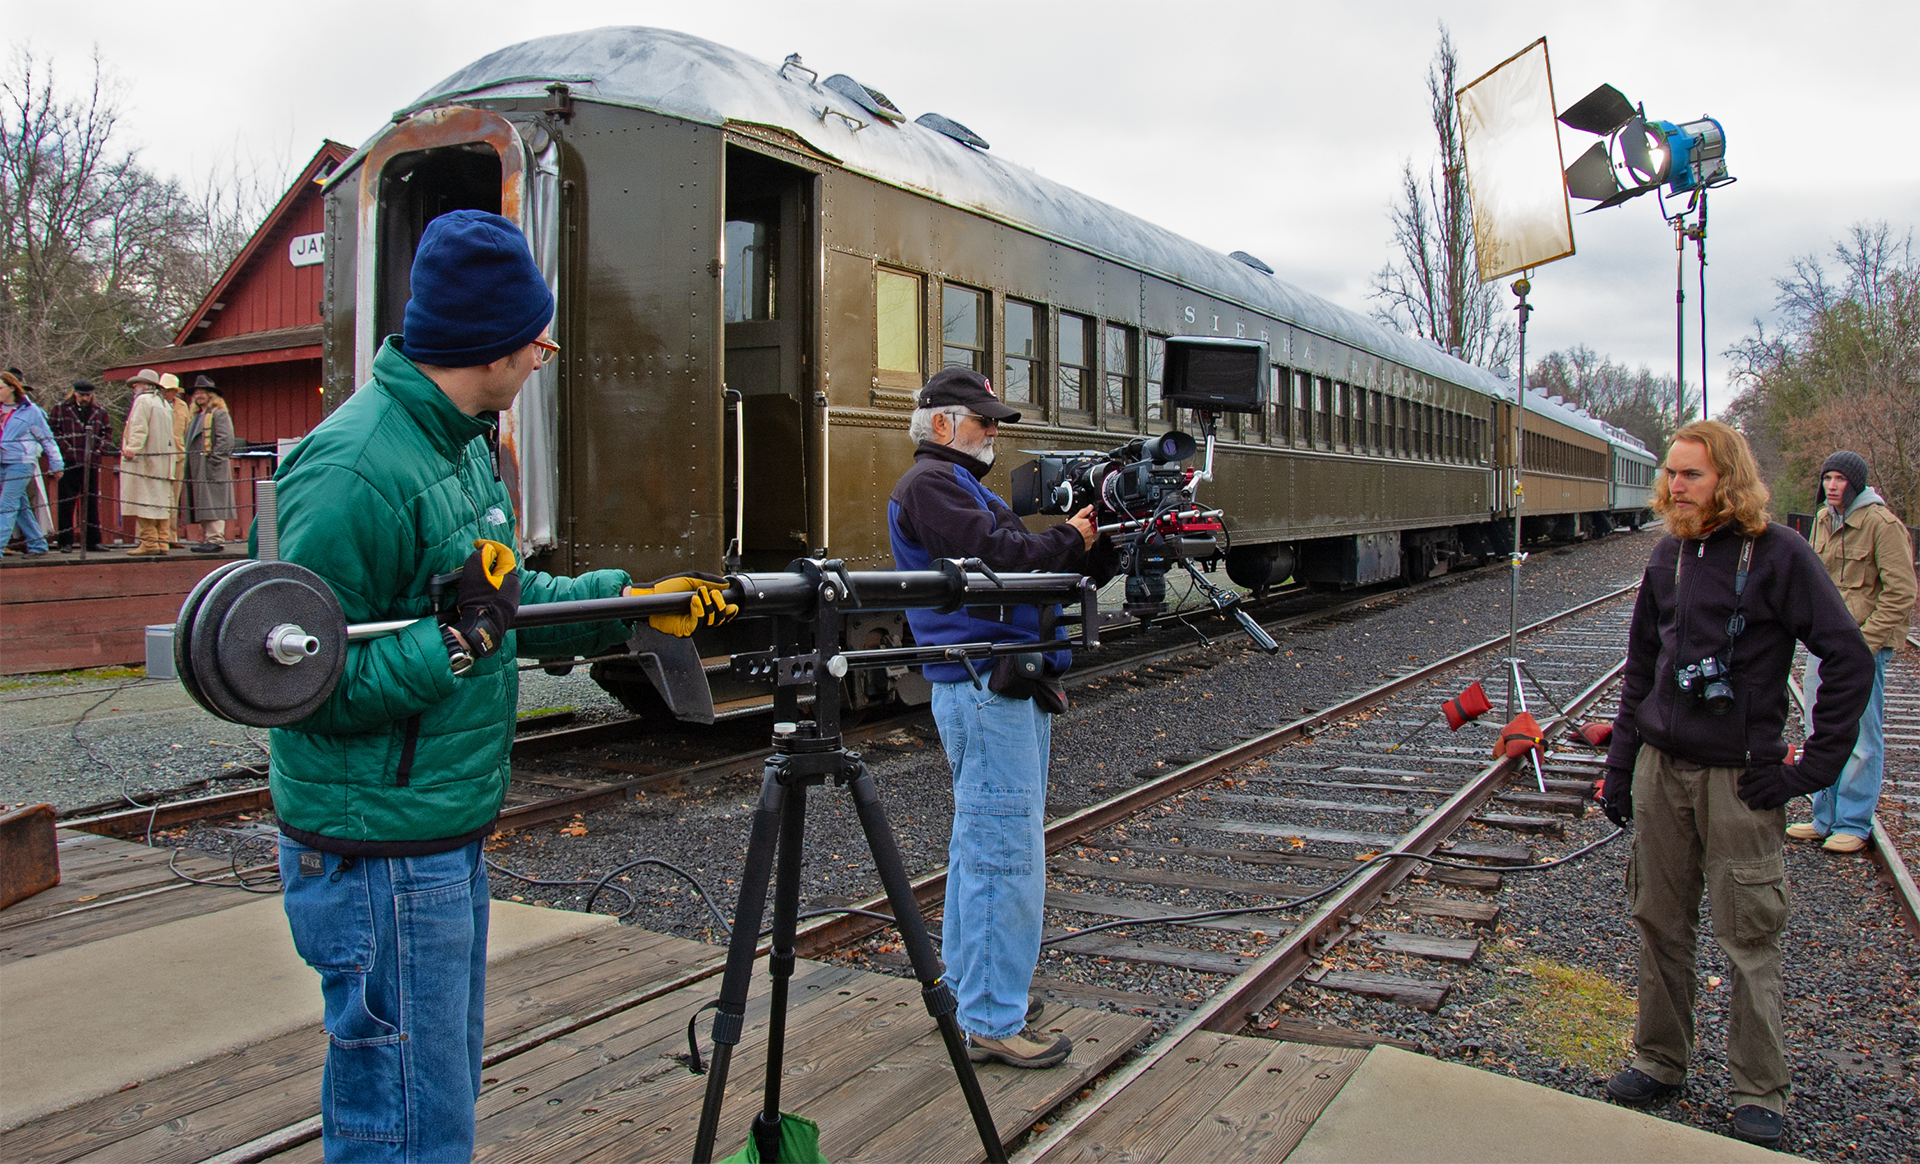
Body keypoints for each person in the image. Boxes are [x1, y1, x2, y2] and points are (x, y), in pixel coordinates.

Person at [269, 208, 735, 1164]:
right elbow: (298, 682)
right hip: (380, 849)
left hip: (436, 834)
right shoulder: (355, 470)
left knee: (431, 1091)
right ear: (495, 345)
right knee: (404, 1109)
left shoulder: (458, 443)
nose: (545, 353)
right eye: (539, 337)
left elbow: (501, 594)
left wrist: (636, 604)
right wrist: (456, 643)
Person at [1598, 420, 1873, 1148]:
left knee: (1748, 934)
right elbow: (1640, 675)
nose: (1674, 487)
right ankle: (1659, 1060)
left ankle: (1760, 1090)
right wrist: (1620, 770)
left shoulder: (1780, 555)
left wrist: (1813, 768)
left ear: (1727, 478)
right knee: (1659, 919)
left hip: (1740, 781)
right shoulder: (1668, 558)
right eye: (1670, 474)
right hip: (1663, 769)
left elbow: (1848, 657)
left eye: (1690, 475)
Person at [887, 367, 1109, 1069]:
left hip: (996, 682)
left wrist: (1083, 546)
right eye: (983, 421)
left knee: (984, 844)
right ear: (944, 425)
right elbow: (1002, 558)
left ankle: (976, 991)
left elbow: (1016, 562)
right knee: (1003, 852)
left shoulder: (958, 487)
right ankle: (989, 1017)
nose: (993, 434)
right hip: (987, 683)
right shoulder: (932, 486)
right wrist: (1070, 539)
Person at [1788, 451, 1917, 853]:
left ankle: (1854, 822)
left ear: (1856, 483)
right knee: (1819, 728)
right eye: (1827, 477)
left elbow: (1902, 591)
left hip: (1863, 649)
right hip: (1825, 645)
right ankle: (1823, 816)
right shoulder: (1823, 520)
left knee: (1862, 736)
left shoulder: (1883, 524)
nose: (1832, 485)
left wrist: (1868, 642)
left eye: (1841, 479)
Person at [0, 370, 63, 556]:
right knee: (20, 507)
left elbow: (47, 439)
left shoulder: (31, 411)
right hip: (2, 462)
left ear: (12, 388)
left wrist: (56, 463)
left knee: (7, 505)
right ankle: (38, 545)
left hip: (21, 462)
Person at [118, 369, 178, 556]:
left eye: (137, 383)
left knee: (143, 499)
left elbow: (139, 427)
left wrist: (132, 448)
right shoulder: (164, 403)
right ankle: (162, 541)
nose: (134, 387)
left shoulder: (143, 401)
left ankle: (149, 541)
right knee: (160, 501)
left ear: (145, 385)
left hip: (145, 459)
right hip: (162, 460)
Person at [51, 380, 111, 551]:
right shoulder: (61, 409)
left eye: (88, 395)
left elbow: (106, 433)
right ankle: (66, 541)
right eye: (82, 394)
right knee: (66, 502)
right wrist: (66, 449)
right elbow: (54, 431)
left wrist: (98, 451)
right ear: (74, 393)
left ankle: (93, 541)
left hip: (91, 462)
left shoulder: (99, 411)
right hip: (69, 461)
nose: (85, 398)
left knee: (91, 502)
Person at [184, 377, 235, 549]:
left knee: (213, 501)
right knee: (203, 502)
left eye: (202, 393)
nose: (198, 396)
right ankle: (207, 538)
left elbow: (226, 440)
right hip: (198, 466)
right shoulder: (196, 417)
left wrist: (214, 460)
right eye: (196, 393)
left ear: (211, 395)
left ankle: (215, 538)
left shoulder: (219, 414)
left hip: (211, 466)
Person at [162, 372, 190, 546]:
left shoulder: (182, 407)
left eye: (171, 390)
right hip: (161, 455)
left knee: (174, 497)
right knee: (159, 497)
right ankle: (157, 537)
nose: (167, 393)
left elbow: (186, 429)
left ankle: (171, 536)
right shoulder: (156, 405)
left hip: (178, 455)